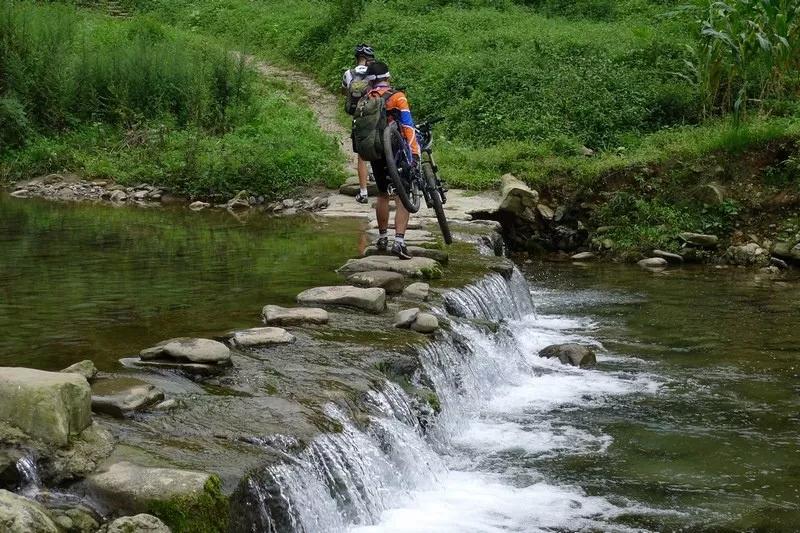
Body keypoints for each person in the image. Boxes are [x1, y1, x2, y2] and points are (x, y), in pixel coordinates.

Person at [364, 61, 419, 260]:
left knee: (382, 194)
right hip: (397, 152)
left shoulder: (367, 97)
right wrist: (414, 153)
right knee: (402, 195)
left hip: (377, 150)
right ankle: (399, 242)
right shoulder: (397, 97)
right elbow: (408, 126)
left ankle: (382, 238)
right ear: (388, 77)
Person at [342, 44, 375, 204]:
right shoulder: (374, 72)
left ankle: (363, 193)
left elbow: (344, 92)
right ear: (367, 58)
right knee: (377, 147)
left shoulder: (348, 74)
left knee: (361, 154)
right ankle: (380, 180)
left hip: (358, 117)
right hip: (374, 116)